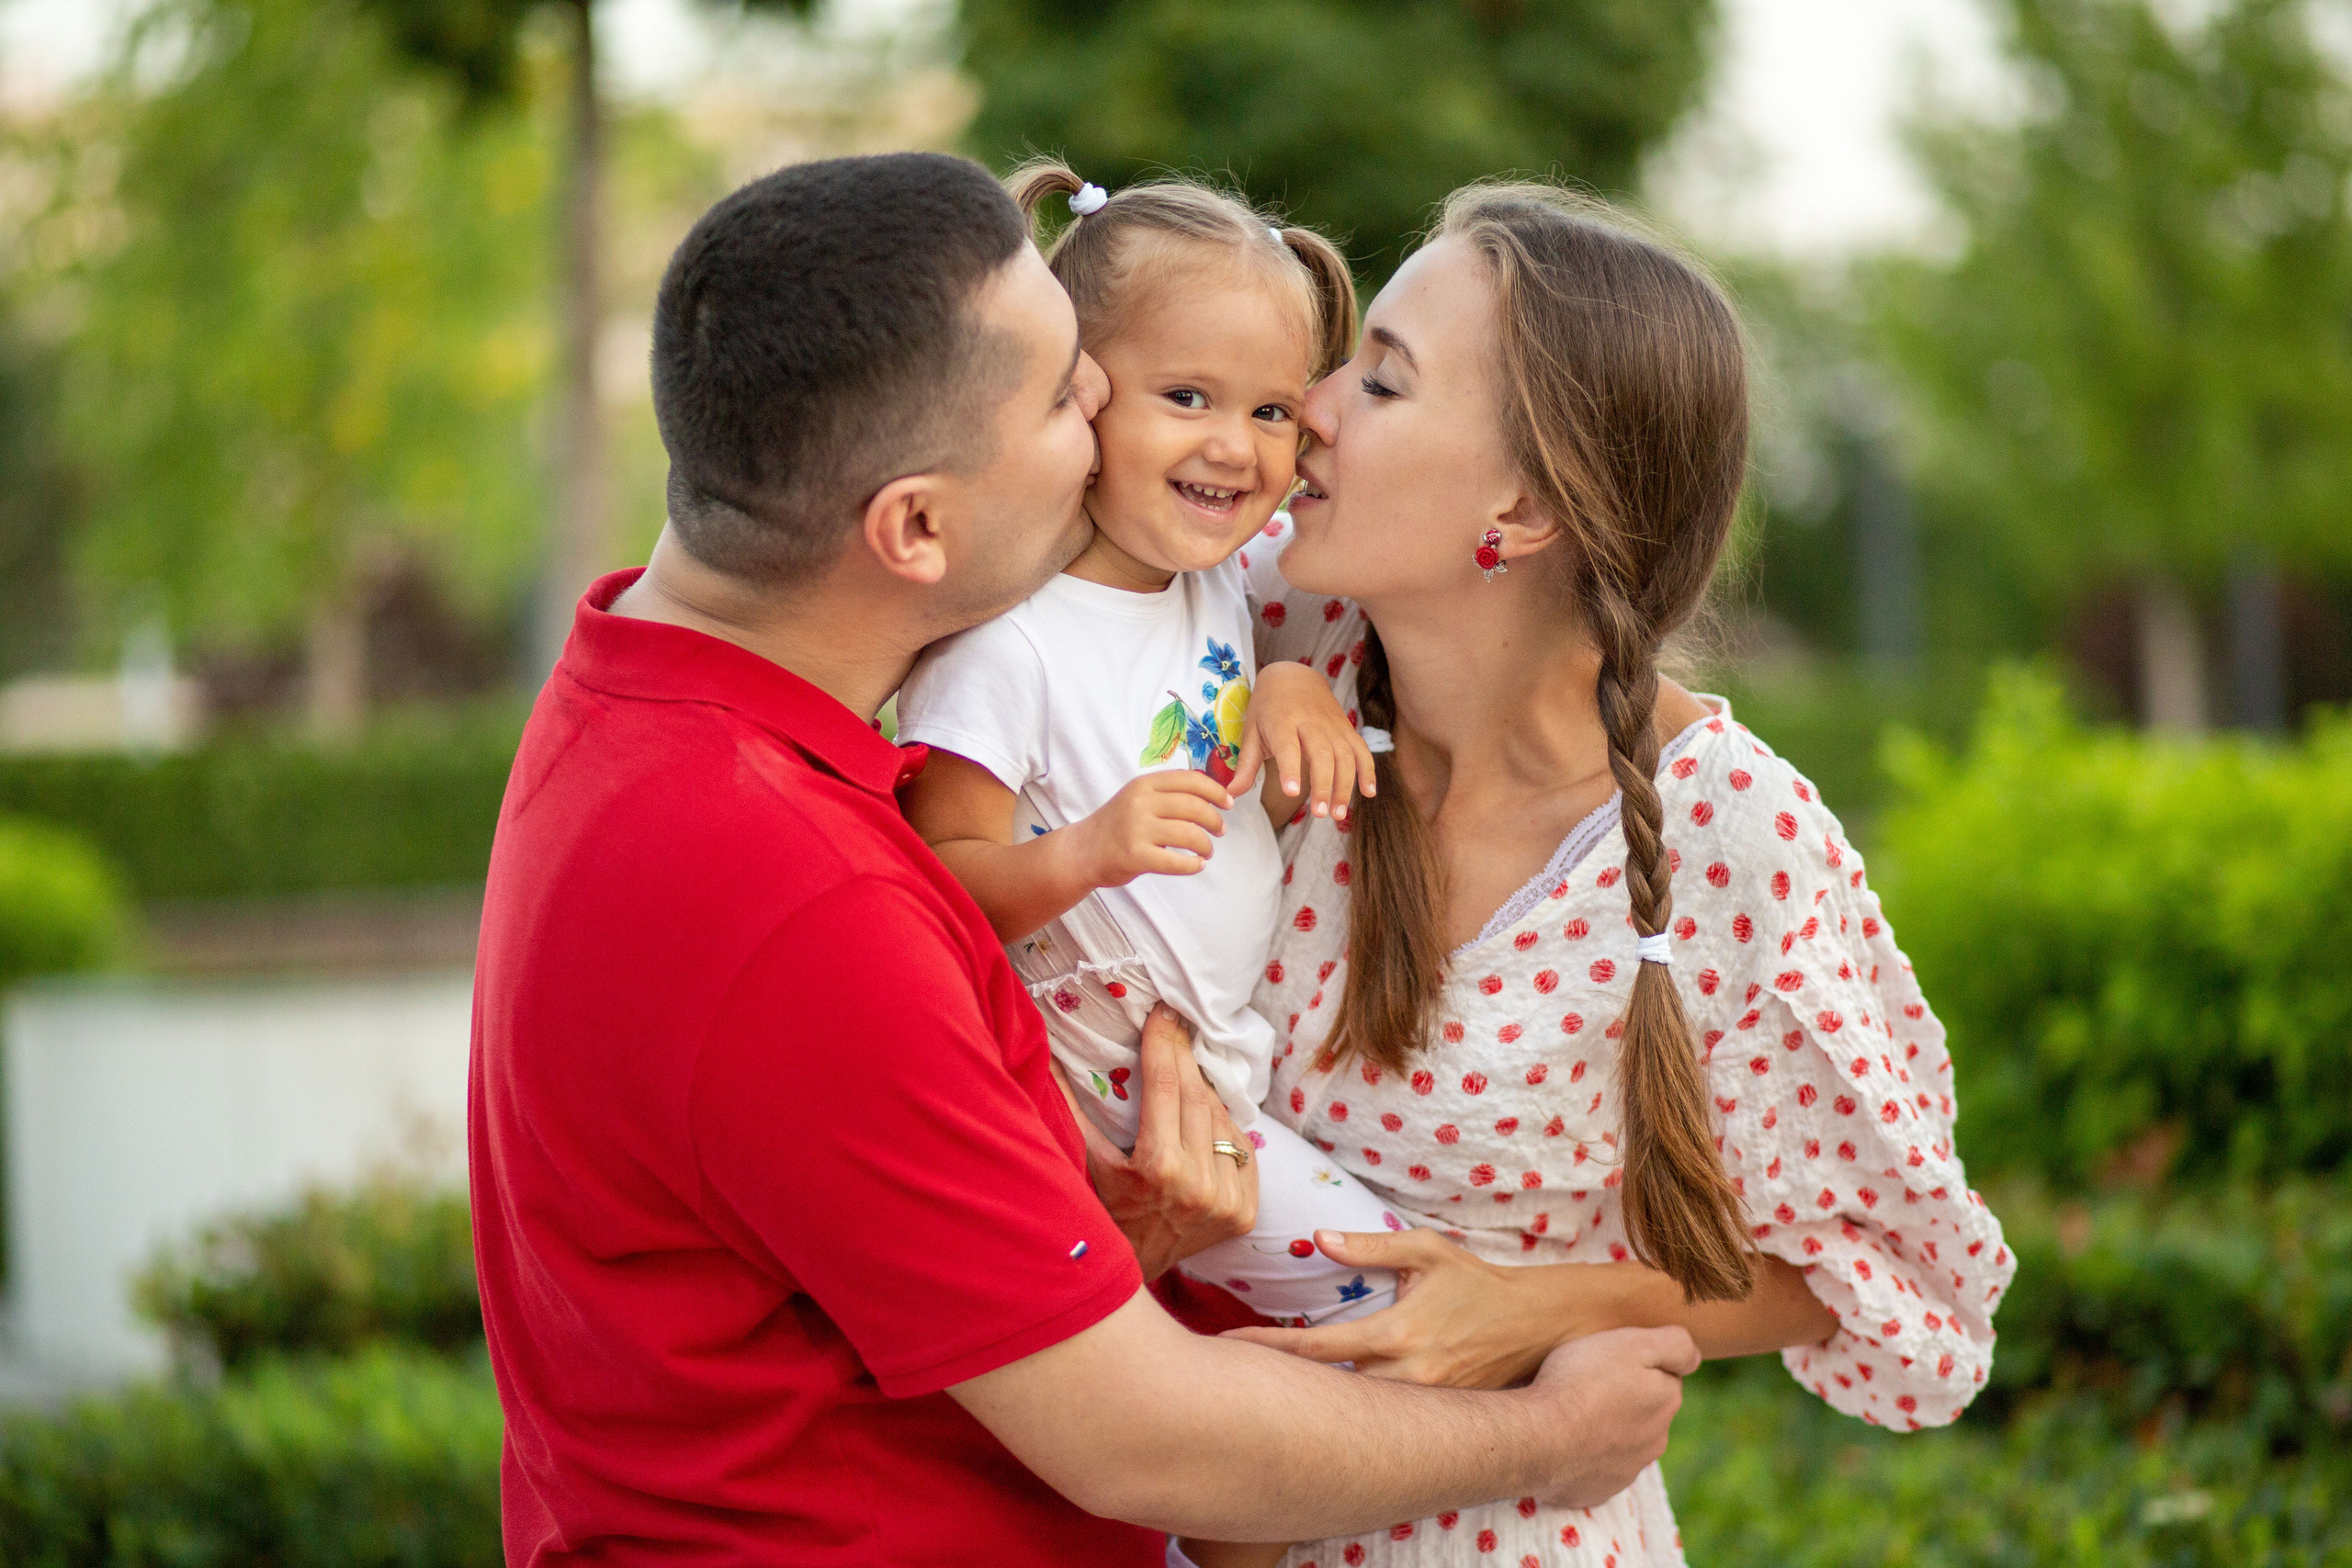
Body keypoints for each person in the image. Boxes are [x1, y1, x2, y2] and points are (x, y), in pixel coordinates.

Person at [469, 152, 1700, 1568]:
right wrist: (1552, 1437)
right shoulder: (800, 896)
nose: (1110, 412)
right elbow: (1137, 1434)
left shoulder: (644, 681)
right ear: (916, 524)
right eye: (1069, 396)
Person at [1214, 184, 2018, 1566]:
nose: (1314, 401)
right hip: (1190, 1499)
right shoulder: (1260, 617)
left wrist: (1539, 1304)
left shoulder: (1734, 835)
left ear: (1520, 506)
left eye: (1385, 380)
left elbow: (1878, 1273)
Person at [898, 163, 1406, 1340]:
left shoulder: (1217, 587)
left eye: (1272, 412)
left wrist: (1285, 685)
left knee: (1272, 1351)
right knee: (1381, 1303)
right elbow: (936, 887)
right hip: (1100, 1094)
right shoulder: (1007, 641)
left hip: (1214, 1069)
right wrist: (1087, 850)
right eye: (1188, 396)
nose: (1237, 446)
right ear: (1080, 402)